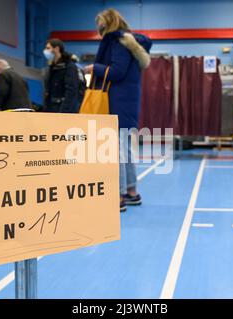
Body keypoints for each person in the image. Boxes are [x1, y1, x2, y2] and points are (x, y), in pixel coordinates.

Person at [84, 9, 152, 213]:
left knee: (117, 152)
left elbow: (117, 72)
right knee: (125, 150)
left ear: (109, 24)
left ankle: (119, 196)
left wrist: (94, 68)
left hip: (117, 102)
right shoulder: (131, 42)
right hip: (127, 101)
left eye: (101, 24)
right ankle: (132, 192)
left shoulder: (117, 42)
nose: (98, 29)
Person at [43, 39, 80, 113]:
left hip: (63, 109)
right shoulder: (51, 68)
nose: (45, 51)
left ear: (56, 49)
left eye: (48, 48)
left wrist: (64, 111)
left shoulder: (69, 66)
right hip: (51, 108)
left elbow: (71, 90)